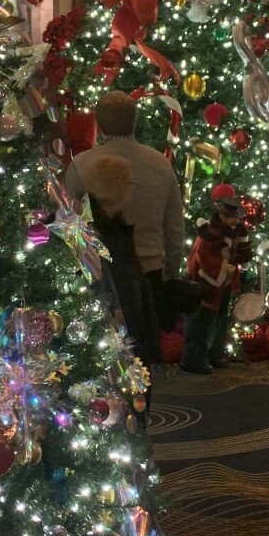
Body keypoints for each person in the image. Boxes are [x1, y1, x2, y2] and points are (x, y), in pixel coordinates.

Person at [66, 90, 186, 330]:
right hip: (150, 271)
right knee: (145, 341)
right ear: (134, 120)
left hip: (100, 273)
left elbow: (71, 224)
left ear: (99, 123)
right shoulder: (160, 163)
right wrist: (171, 272)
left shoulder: (80, 165)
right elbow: (174, 226)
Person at [81, 153, 159, 377]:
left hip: (127, 322)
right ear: (115, 186)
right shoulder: (98, 233)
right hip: (118, 328)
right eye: (130, 182)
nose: (134, 188)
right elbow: (108, 284)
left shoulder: (114, 224)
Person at [182, 184, 253, 374]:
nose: (232, 221)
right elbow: (203, 258)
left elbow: (243, 255)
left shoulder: (236, 233)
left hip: (223, 285)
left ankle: (215, 352)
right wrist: (222, 269)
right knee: (202, 322)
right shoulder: (210, 234)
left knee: (220, 320)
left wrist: (242, 248)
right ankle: (194, 358)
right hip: (207, 283)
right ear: (221, 215)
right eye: (228, 217)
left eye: (235, 218)